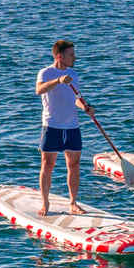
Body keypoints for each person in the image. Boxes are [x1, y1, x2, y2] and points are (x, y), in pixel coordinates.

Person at [34, 39, 97, 215]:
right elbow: (39, 90)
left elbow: (75, 97)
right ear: (60, 56)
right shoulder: (45, 73)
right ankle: (45, 203)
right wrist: (59, 80)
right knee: (48, 164)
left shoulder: (73, 74)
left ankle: (73, 203)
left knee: (74, 164)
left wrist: (85, 107)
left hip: (72, 126)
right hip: (52, 125)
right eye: (71, 55)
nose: (74, 58)